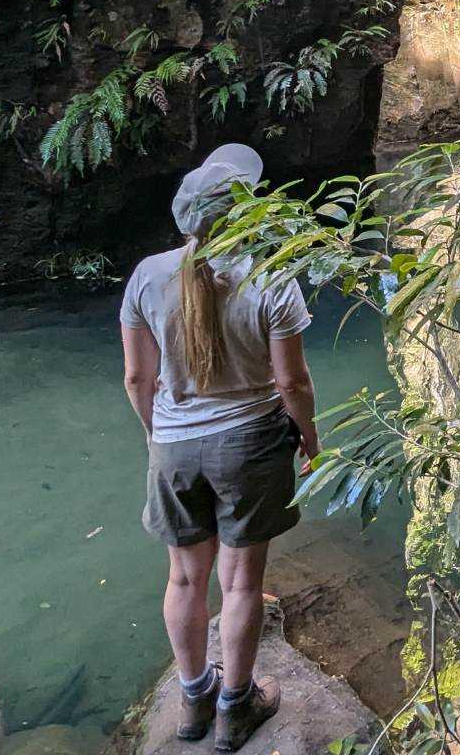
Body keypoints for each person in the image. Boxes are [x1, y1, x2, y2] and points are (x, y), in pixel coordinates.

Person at [119, 143, 319, 752]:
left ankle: (192, 700)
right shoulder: (272, 276)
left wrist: (160, 435)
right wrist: (309, 438)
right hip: (252, 443)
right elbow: (290, 383)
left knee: (185, 579)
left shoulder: (148, 276)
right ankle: (237, 705)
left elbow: (136, 379)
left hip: (174, 447)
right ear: (244, 211)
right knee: (240, 582)